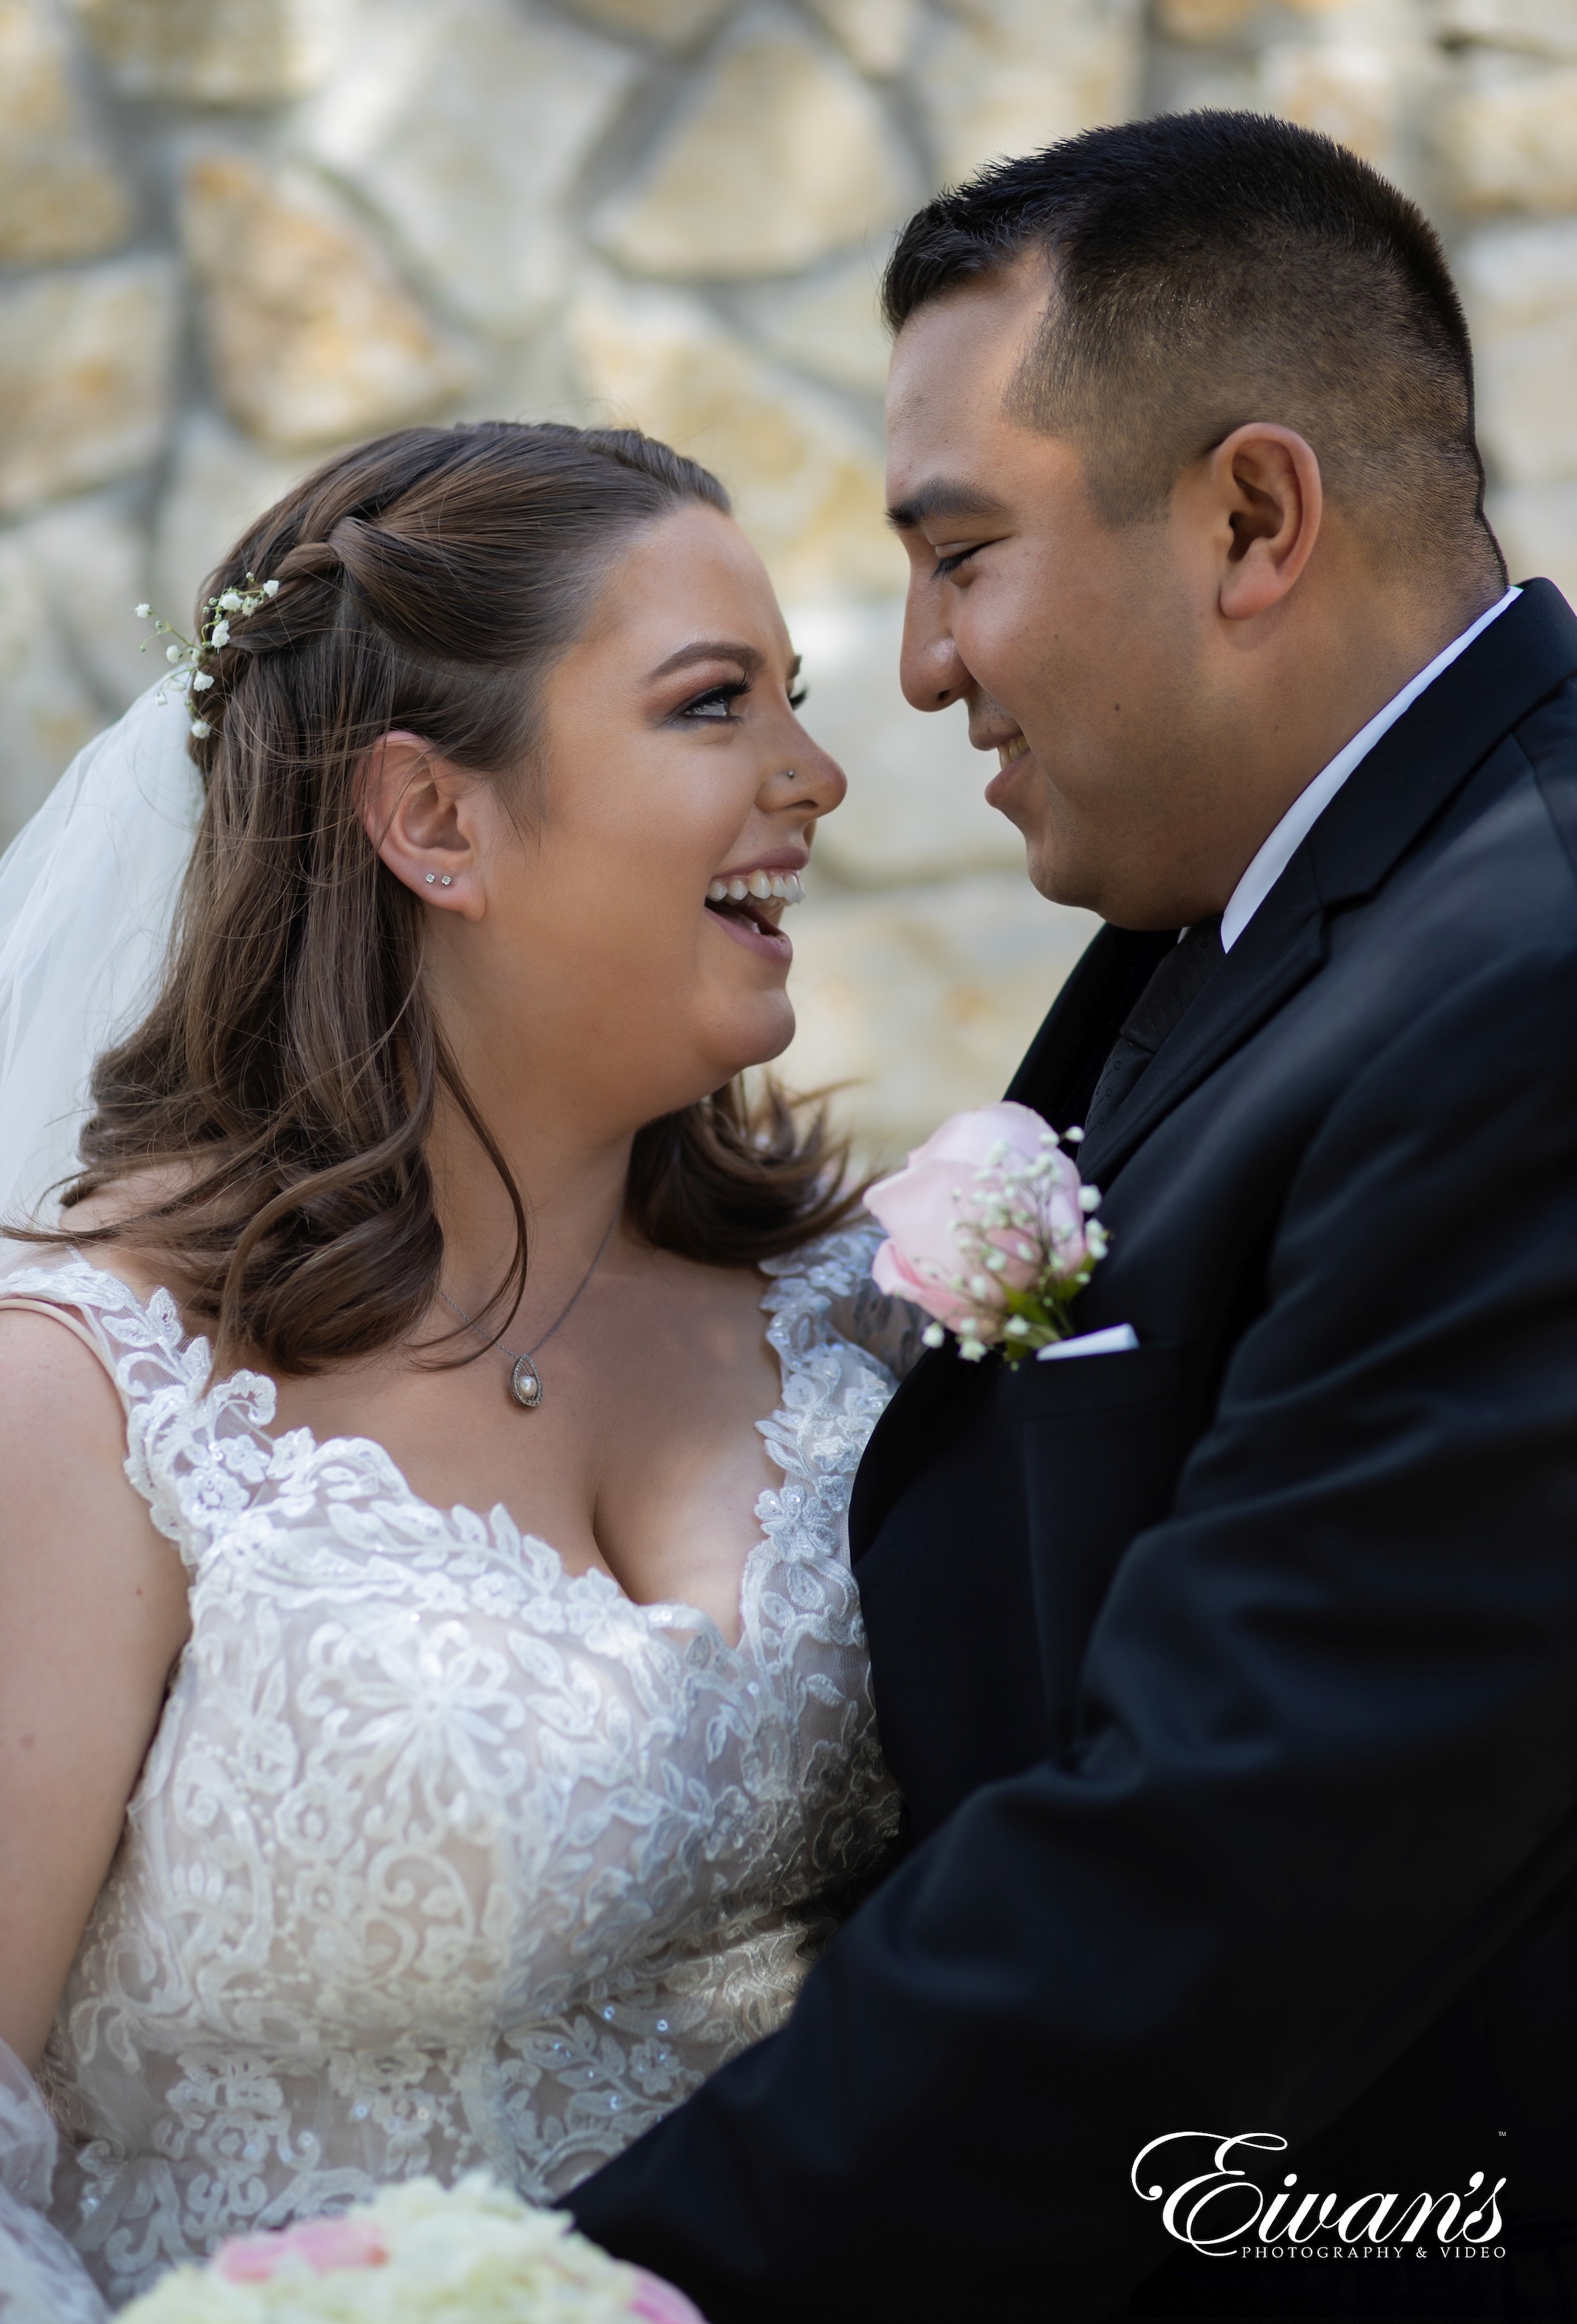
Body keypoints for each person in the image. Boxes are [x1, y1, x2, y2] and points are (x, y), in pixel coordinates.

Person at [564, 113, 1577, 2321]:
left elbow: (1231, 1861)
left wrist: (549, 2295)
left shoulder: (1530, 987)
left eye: (962, 554)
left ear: (1250, 518)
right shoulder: (1266, 908)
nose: (921, 670)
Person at [0, 422, 918, 2316]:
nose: (811, 776)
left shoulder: (863, 1320)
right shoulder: (98, 1392)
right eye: (711, 707)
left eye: (791, 704)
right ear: (434, 823)